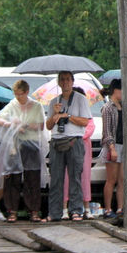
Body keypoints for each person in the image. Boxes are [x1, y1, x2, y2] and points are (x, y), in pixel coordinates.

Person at [0, 80, 48, 223]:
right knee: (12, 177)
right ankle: (12, 210)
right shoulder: (12, 105)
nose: (18, 98)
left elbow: (41, 126)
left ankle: (34, 210)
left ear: (26, 92)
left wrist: (25, 125)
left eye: (20, 95)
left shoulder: (36, 106)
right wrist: (11, 124)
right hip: (14, 145)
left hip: (31, 144)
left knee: (32, 177)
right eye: (16, 95)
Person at [45, 70, 90, 221]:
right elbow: (49, 125)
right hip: (57, 140)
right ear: (58, 82)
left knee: (75, 176)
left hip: (74, 140)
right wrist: (55, 114)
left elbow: (85, 121)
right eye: (62, 80)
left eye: (67, 80)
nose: (64, 82)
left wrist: (68, 116)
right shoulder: (54, 101)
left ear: (72, 82)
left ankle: (76, 210)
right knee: (56, 177)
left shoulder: (80, 99)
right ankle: (54, 212)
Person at [64, 86, 95, 218]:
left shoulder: (86, 113)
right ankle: (64, 208)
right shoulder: (65, 111)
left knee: (84, 177)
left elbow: (89, 128)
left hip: (83, 147)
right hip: (68, 147)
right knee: (66, 177)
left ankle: (86, 208)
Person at [101, 79, 124, 220]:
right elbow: (107, 131)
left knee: (122, 179)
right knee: (111, 179)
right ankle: (108, 208)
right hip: (113, 145)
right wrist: (111, 147)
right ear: (115, 90)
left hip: (124, 145)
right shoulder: (108, 107)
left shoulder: (123, 106)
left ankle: (121, 207)